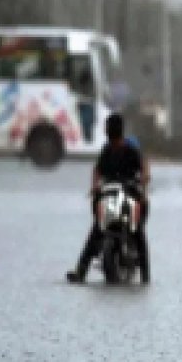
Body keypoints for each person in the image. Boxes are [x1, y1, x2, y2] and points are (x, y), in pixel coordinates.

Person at [66, 113, 150, 284]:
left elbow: (144, 167)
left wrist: (143, 182)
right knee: (97, 228)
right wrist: (95, 186)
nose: (107, 131)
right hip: (109, 193)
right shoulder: (106, 150)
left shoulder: (131, 150)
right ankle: (81, 271)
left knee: (138, 230)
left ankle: (145, 275)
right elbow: (97, 170)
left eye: (108, 127)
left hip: (129, 192)